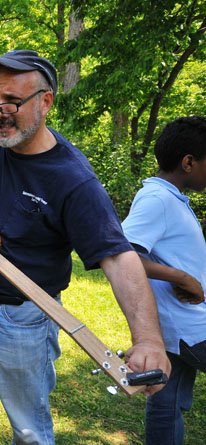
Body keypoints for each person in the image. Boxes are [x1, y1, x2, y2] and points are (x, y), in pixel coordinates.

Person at [0, 49, 171, 444]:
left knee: (29, 431)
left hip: (24, 320)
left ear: (45, 101)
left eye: (12, 102)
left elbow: (120, 257)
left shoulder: (73, 180)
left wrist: (148, 341)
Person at [121, 116, 206, 445]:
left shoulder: (171, 199)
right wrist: (181, 277)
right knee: (165, 406)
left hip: (176, 330)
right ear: (188, 163)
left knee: (166, 405)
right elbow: (122, 252)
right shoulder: (157, 200)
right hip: (191, 330)